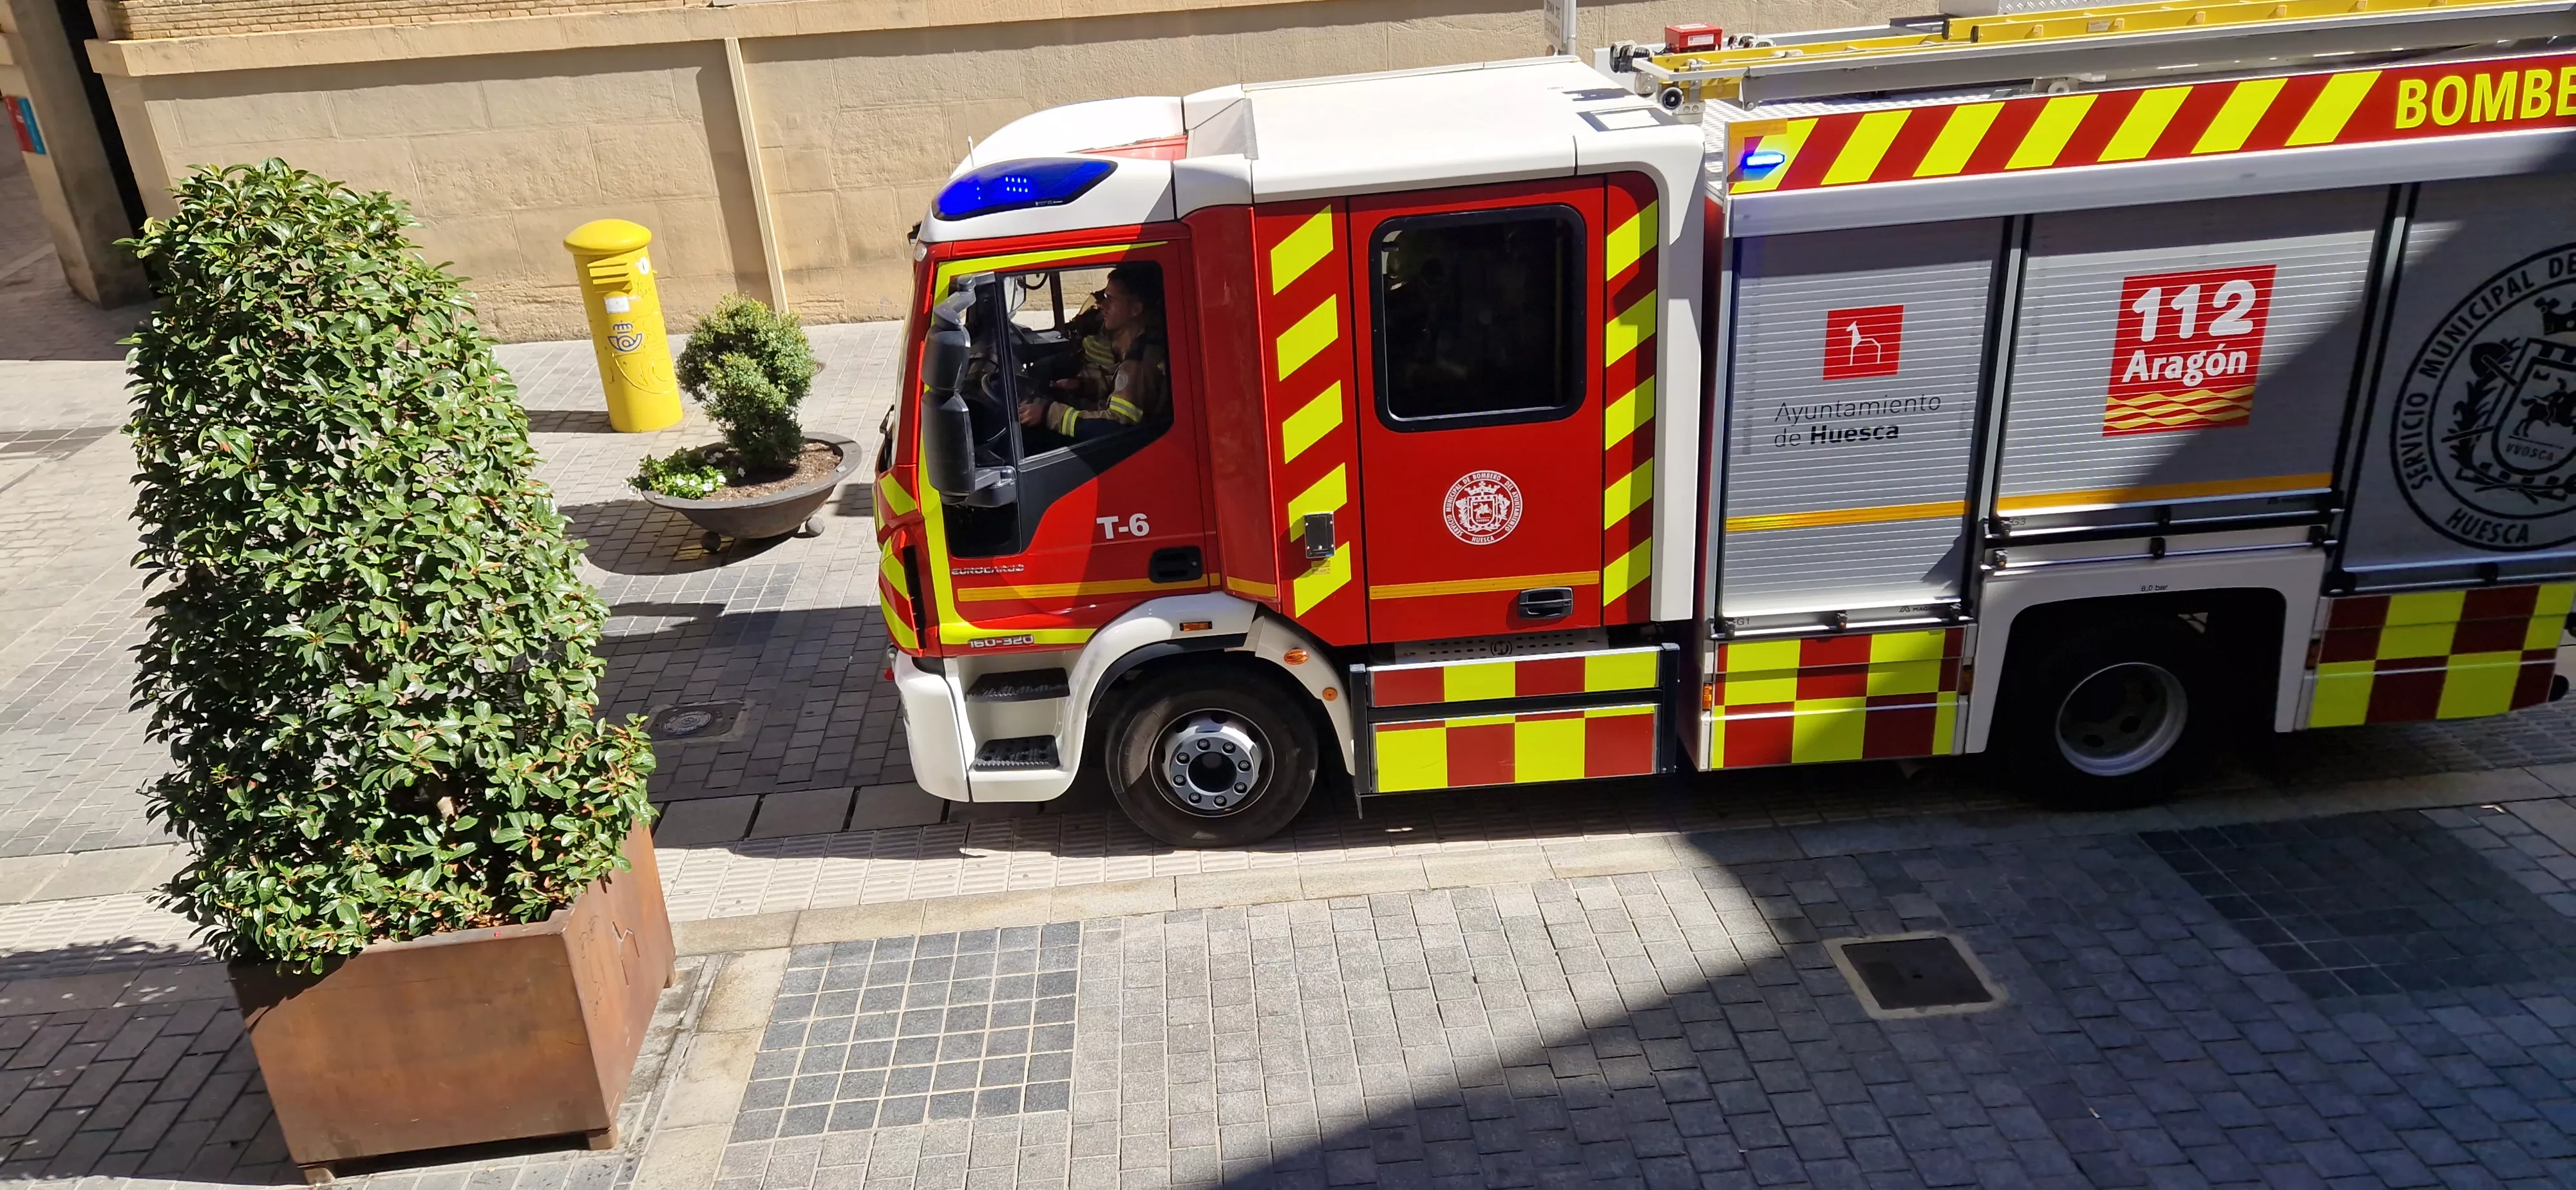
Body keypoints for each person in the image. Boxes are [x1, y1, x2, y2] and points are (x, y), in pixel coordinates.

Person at [1019, 264, 1167, 448]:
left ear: (1135, 310)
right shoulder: (1132, 343)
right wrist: (1082, 386)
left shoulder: (1139, 361)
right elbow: (1116, 391)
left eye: (1111, 300)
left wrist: (1048, 413)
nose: (1102, 305)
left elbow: (1117, 424)